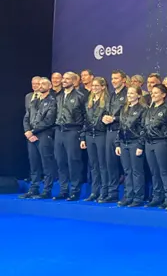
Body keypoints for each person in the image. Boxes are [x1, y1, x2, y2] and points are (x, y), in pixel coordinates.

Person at [21, 77, 57, 199]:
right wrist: (27, 131)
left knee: (46, 164)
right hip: (31, 136)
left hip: (44, 135)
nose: (40, 86)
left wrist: (33, 131)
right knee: (34, 163)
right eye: (39, 84)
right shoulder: (34, 101)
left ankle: (47, 190)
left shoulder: (52, 101)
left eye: (43, 84)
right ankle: (34, 188)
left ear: (49, 86)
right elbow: (26, 117)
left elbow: (49, 120)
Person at [53, 72, 86, 201]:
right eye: (63, 79)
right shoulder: (58, 96)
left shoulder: (80, 96)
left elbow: (85, 117)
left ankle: (75, 191)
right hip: (59, 131)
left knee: (73, 162)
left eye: (67, 79)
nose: (64, 81)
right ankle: (63, 190)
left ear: (73, 81)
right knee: (60, 161)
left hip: (73, 131)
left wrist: (82, 135)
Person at [115, 86, 147, 207]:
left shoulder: (143, 109)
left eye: (132, 93)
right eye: (128, 93)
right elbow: (120, 127)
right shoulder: (124, 108)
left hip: (135, 143)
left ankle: (138, 197)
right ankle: (128, 196)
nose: (129, 95)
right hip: (124, 143)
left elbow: (144, 128)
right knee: (127, 171)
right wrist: (117, 143)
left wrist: (140, 144)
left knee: (137, 171)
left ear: (138, 95)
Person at [143, 84, 167, 208]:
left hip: (161, 142)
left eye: (156, 93)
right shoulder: (149, 109)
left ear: (163, 95)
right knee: (154, 171)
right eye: (152, 93)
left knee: (164, 171)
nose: (153, 95)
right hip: (149, 143)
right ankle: (157, 196)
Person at [79, 77, 109, 202]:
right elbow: (85, 120)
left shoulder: (107, 101)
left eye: (97, 86)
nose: (95, 88)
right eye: (93, 86)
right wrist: (82, 137)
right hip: (89, 136)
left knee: (102, 164)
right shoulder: (89, 101)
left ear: (103, 87)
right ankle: (94, 192)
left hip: (101, 135)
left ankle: (104, 191)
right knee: (93, 165)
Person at [101, 70, 127, 203]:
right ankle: (113, 193)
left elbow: (129, 114)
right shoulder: (111, 95)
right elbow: (106, 111)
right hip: (109, 132)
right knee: (110, 164)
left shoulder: (128, 94)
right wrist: (105, 117)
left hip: (122, 133)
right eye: (112, 78)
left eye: (116, 78)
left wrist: (114, 118)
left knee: (126, 165)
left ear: (123, 80)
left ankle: (128, 194)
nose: (113, 81)